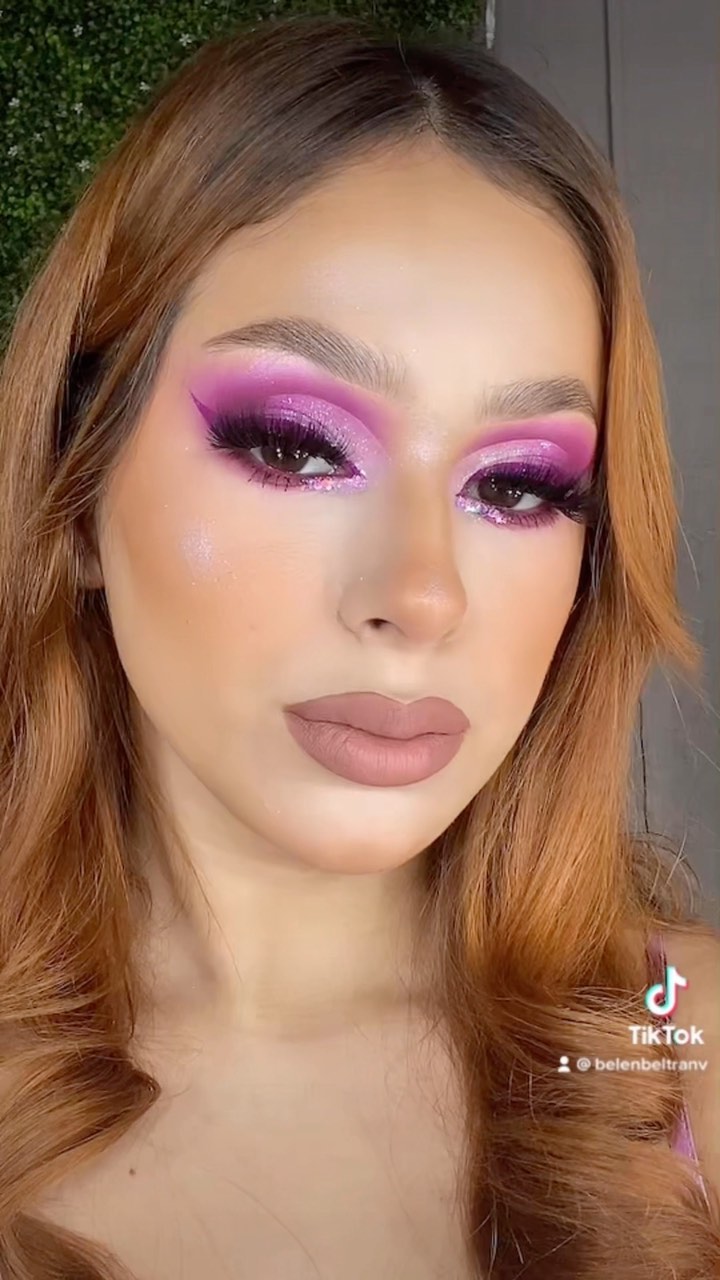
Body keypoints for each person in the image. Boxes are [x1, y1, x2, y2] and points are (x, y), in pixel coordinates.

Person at [0, 14, 718, 1280]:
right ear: (77, 488)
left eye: (519, 485)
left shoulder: (688, 1047)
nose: (421, 595)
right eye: (295, 445)